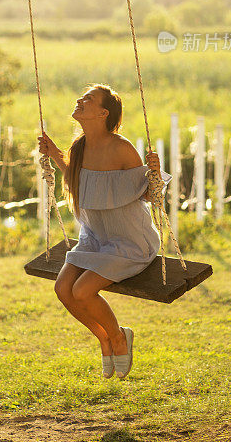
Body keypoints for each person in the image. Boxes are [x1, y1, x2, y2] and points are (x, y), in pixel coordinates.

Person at [38, 83, 172, 380]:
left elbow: (147, 193)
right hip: (94, 238)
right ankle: (105, 339)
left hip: (129, 242)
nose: (80, 100)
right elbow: (78, 177)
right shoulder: (79, 148)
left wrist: (154, 172)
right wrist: (54, 152)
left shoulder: (121, 148)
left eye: (89, 99)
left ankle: (120, 337)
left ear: (103, 113)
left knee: (83, 291)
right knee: (63, 289)